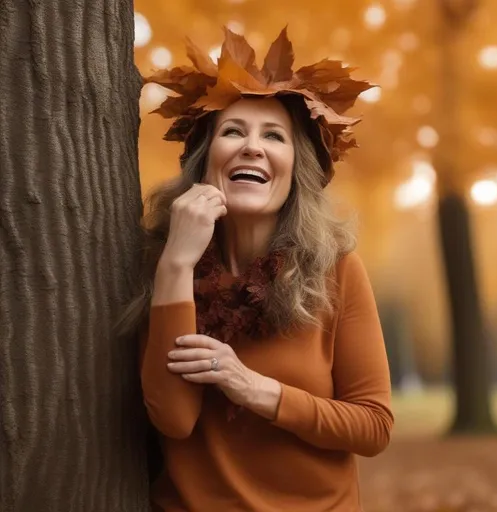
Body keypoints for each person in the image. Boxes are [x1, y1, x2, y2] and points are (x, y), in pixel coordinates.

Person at [129, 27, 393, 512]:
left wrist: (253, 387)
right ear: (204, 162)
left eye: (274, 136)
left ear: (295, 172)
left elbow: (373, 426)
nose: (252, 147)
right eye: (233, 131)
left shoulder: (336, 271)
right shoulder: (161, 262)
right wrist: (176, 264)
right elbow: (175, 420)